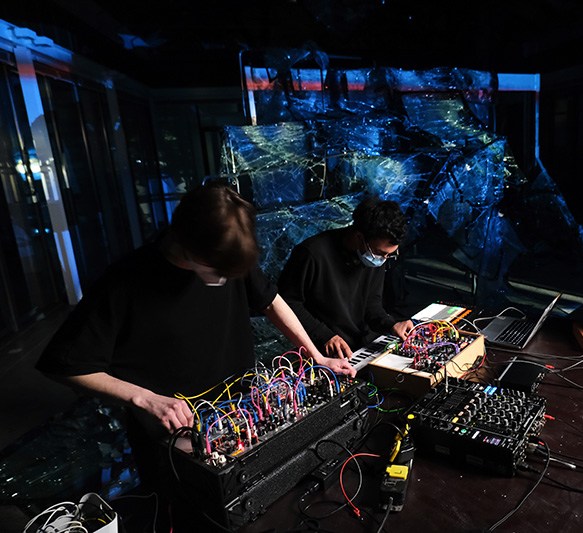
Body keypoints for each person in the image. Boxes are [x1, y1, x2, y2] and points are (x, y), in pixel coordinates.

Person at [36, 182, 354, 531]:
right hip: (174, 438)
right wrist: (146, 399)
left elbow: (270, 300)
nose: (226, 279)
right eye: (219, 271)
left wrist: (314, 356)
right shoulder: (124, 282)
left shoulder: (225, 254)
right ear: (187, 244)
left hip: (243, 416)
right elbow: (62, 365)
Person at [278, 196, 414, 360]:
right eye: (380, 253)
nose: (383, 259)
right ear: (359, 237)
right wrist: (324, 335)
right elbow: (287, 304)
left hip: (364, 344)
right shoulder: (311, 254)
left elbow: (372, 303)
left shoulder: (376, 254)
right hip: (326, 352)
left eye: (389, 254)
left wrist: (391, 324)